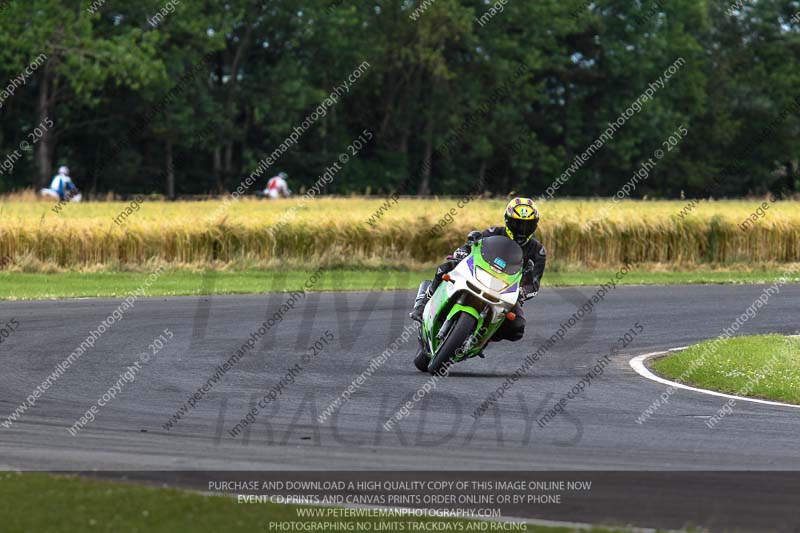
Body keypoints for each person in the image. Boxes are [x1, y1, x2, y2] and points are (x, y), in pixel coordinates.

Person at [409, 197, 546, 343]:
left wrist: (523, 292)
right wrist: (461, 252)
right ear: (507, 220)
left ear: (534, 226)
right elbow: (472, 244)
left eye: (527, 225)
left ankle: (481, 338)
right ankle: (423, 303)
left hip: (506, 291)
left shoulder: (538, 251)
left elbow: (534, 284)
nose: (521, 229)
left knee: (517, 328)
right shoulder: (494, 232)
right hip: (477, 272)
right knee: (445, 268)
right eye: (517, 223)